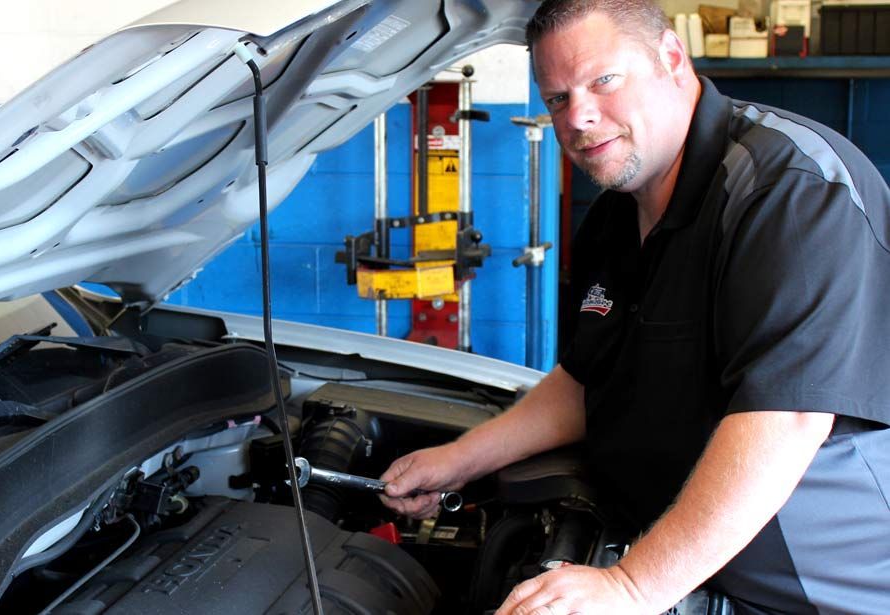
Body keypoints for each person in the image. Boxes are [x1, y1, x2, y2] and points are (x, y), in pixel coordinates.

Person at [379, 1, 890, 613]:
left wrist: (632, 587)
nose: (580, 117)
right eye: (558, 99)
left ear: (671, 58)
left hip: (811, 583)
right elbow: (585, 383)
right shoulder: (618, 213)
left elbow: (787, 419)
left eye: (603, 81)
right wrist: (459, 459)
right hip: (681, 557)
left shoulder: (790, 192)